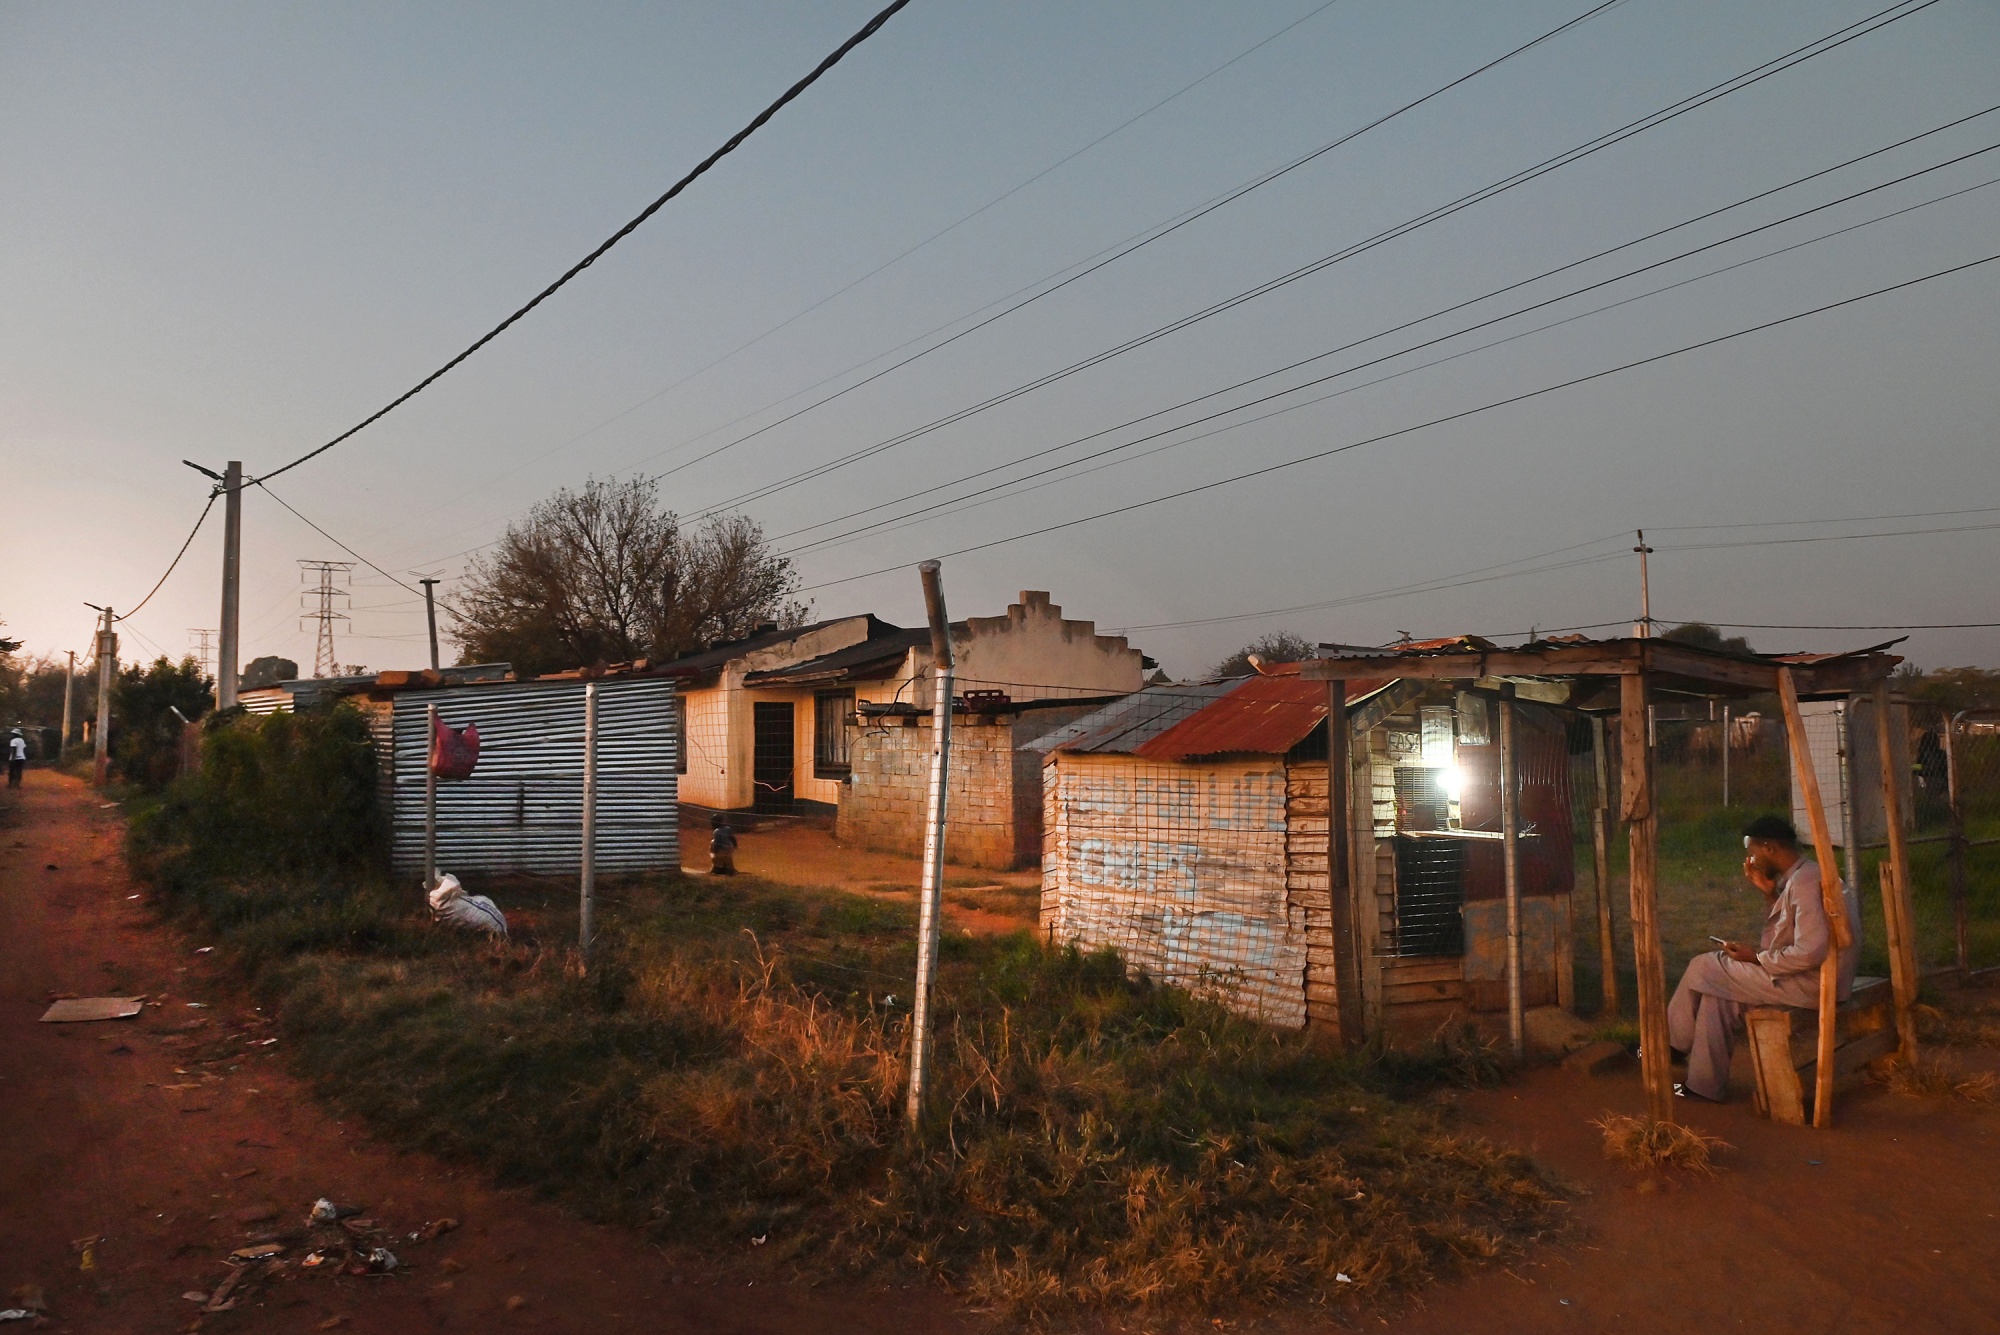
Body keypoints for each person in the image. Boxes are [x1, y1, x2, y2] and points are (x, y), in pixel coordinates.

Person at [1666, 814, 1861, 1102]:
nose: (1751, 857)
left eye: (1753, 849)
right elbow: (1783, 942)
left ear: (1770, 847)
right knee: (1717, 996)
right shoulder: (1804, 875)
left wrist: (1756, 958)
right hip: (1815, 978)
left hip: (1817, 984)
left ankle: (1670, 1046)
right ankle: (1703, 1086)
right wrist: (1770, 896)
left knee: (1704, 965)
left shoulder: (1806, 882)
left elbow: (1810, 951)